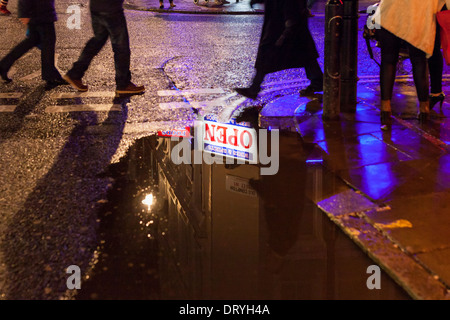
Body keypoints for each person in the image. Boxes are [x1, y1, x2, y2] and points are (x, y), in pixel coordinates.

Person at [376, 0, 450, 128]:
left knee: (388, 60)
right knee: (419, 61)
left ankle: (385, 111)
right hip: (419, 16)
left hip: (390, 11)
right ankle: (424, 110)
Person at [234, 0, 323, 100]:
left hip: (282, 23)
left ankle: (254, 89)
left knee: (268, 53)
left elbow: (292, 6)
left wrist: (289, 25)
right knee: (305, 54)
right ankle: (317, 81)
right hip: (284, 21)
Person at [63, 0, 145, 96]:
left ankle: (75, 73)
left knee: (97, 41)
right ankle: (123, 84)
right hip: (112, 9)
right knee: (121, 47)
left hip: (96, 7)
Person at [0, 0, 66, 89]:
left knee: (31, 41)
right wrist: (24, 12)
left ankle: (3, 65)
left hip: (39, 11)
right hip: (41, 12)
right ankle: (51, 76)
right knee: (48, 43)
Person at [428, 4, 447, 111]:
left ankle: (436, 92)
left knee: (432, 48)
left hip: (434, 7)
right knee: (432, 49)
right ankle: (436, 92)